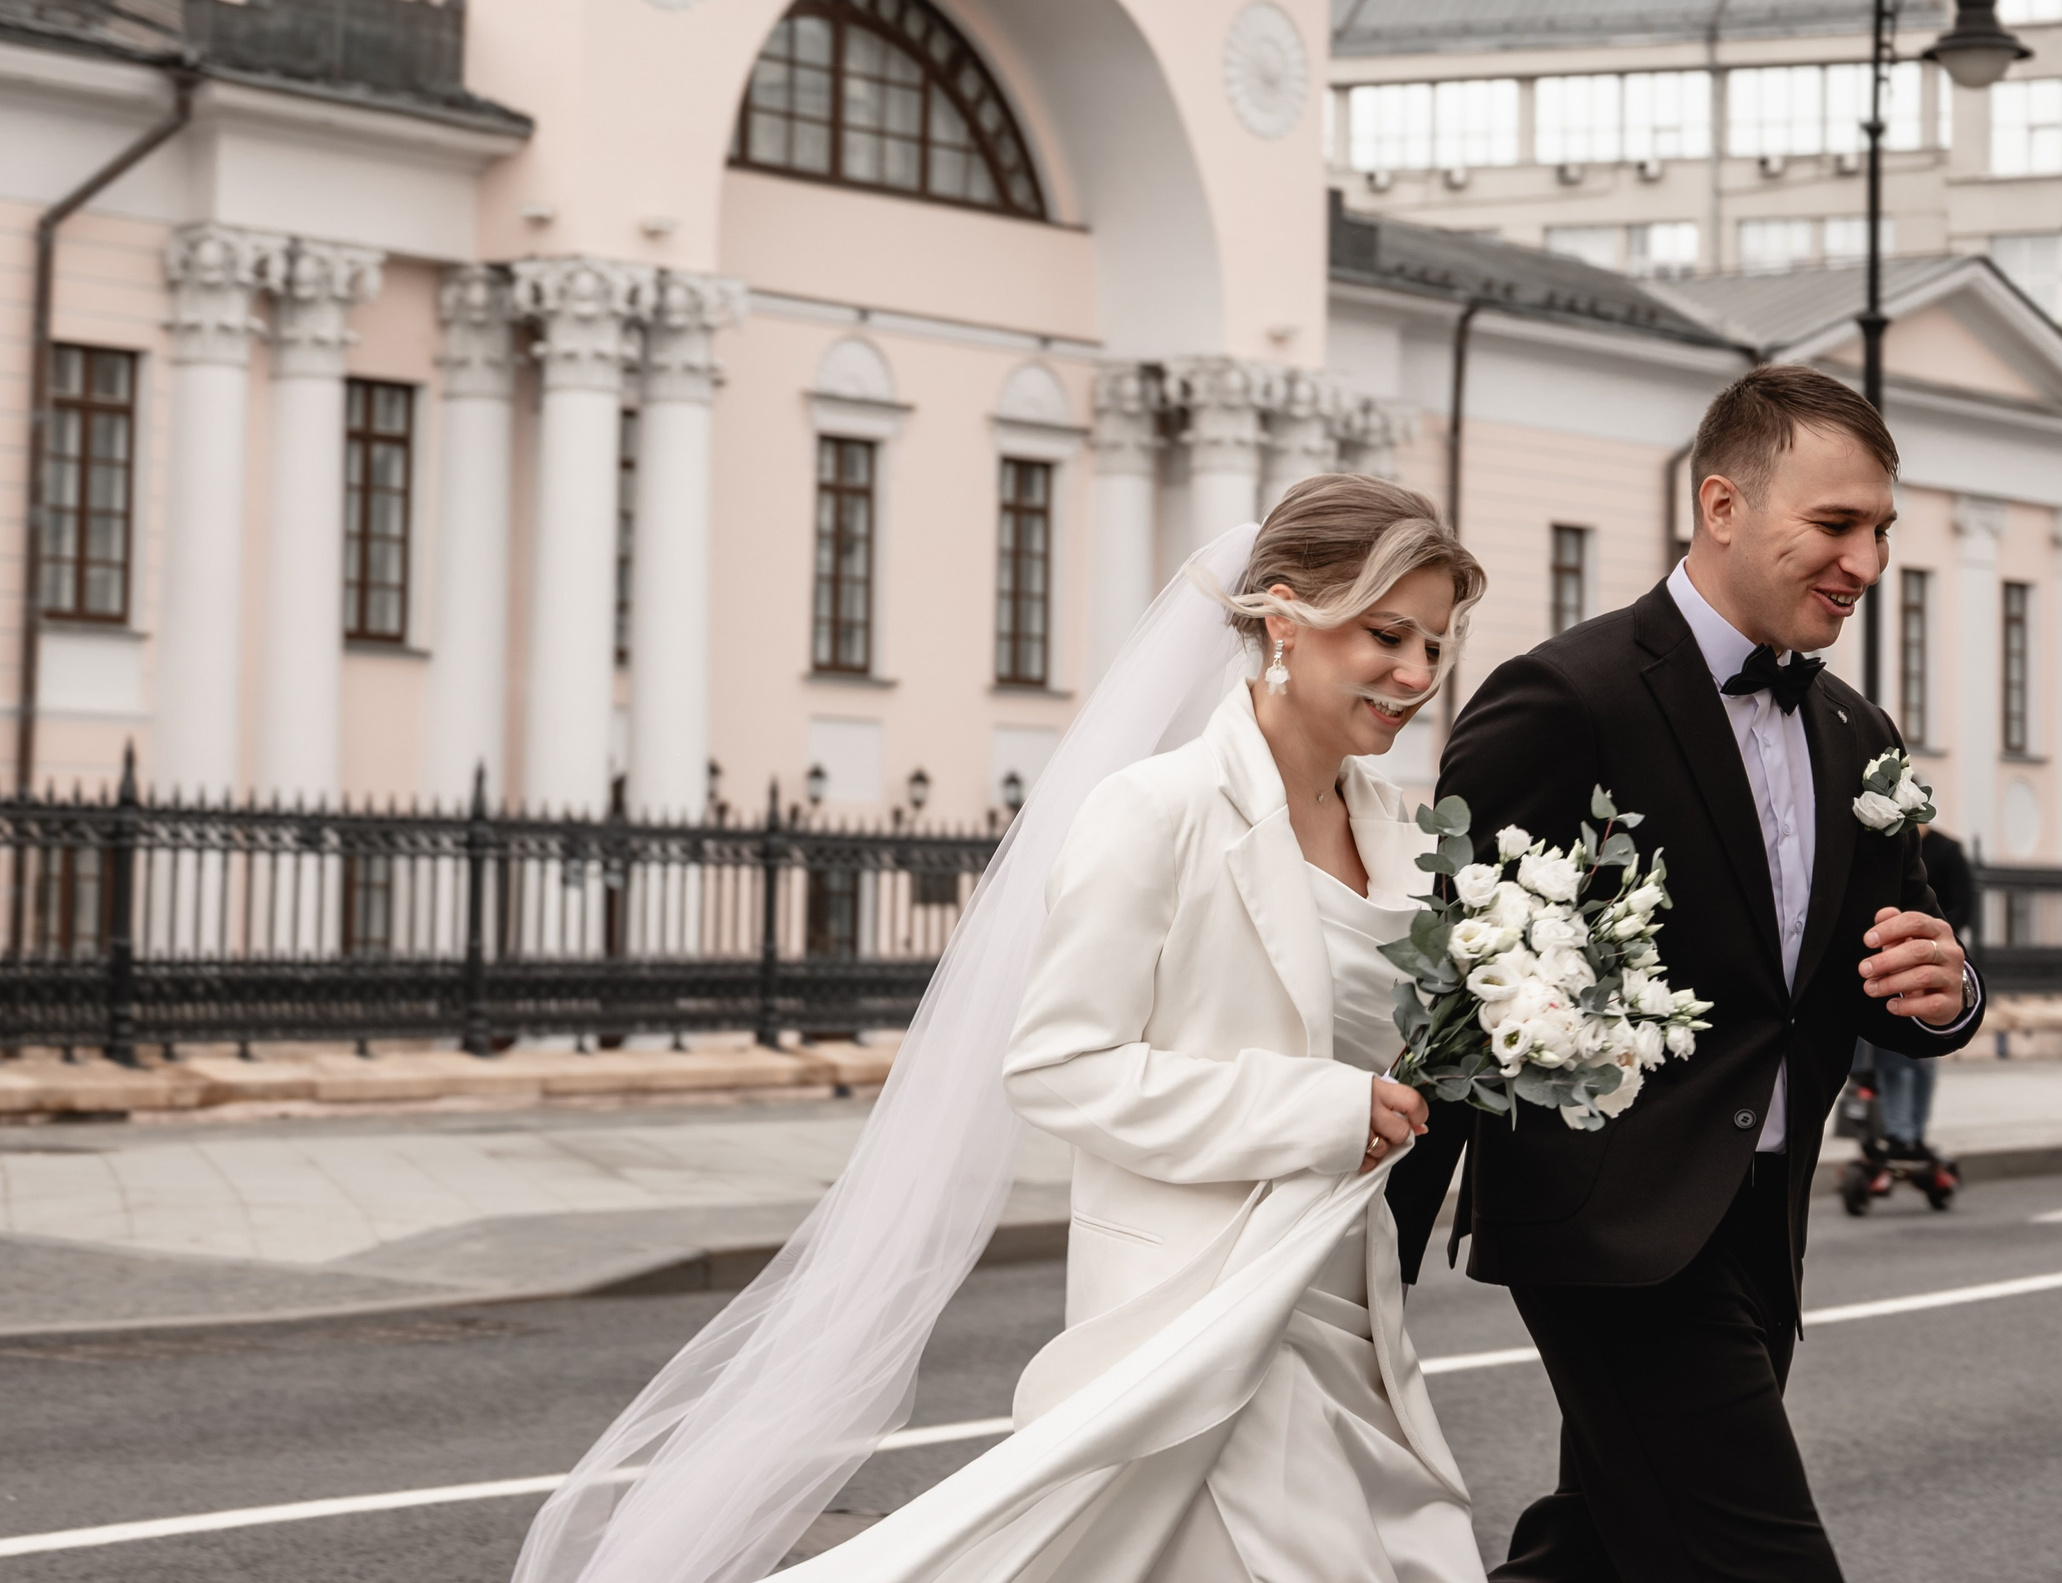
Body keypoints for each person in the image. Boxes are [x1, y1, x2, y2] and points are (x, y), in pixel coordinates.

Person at [514, 476, 1488, 1583]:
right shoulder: (1154, 810)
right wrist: (1320, 1108)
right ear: (1282, 616)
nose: (1416, 674)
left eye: (1437, 644)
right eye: (1387, 633)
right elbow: (1059, 1065)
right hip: (1198, 1300)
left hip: (1344, 1289)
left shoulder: (1406, 836)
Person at [1388, 364, 1983, 1583]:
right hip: (1609, 1229)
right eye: (1834, 525)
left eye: (1879, 530)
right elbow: (1449, 975)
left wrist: (1947, 988)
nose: (1864, 561)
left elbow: (1895, 959)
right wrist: (1374, 1249)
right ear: (1721, 505)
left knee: (1601, 1550)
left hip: (1761, 1226)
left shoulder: (1854, 731)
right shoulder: (1566, 698)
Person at [1871, 822, 1977, 1160]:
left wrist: (1940, 942)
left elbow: (1964, 903)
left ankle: (1913, 1132)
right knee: (1891, 1059)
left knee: (1922, 1061)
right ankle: (1898, 1132)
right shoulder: (1884, 843)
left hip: (1933, 958)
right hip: (1891, 958)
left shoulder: (1947, 850)